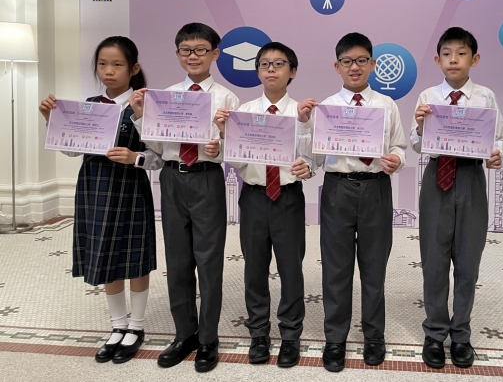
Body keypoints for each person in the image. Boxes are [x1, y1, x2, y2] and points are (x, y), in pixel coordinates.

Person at [39, 36, 160, 364]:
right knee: (105, 254)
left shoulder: (144, 105)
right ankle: (117, 326)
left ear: (133, 68)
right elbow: (70, 149)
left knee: (134, 257)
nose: (109, 70)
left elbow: (159, 157)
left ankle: (136, 327)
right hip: (94, 189)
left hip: (130, 189)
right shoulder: (89, 105)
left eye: (117, 64)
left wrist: (134, 157)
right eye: (103, 64)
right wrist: (51, 120)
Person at [129, 22, 240, 373]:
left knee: (209, 261)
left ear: (215, 54)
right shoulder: (165, 96)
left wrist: (220, 145)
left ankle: (208, 338)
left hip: (207, 178)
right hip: (172, 178)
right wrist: (141, 115)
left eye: (201, 50)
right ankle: (184, 334)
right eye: (186, 50)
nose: (193, 56)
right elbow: (157, 146)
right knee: (177, 260)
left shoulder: (226, 98)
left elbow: (238, 150)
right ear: (177, 54)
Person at [306, 32, 406, 372]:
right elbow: (315, 155)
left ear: (373, 64)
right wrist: (306, 145)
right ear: (337, 66)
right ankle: (335, 338)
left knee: (374, 267)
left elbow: (399, 147)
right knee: (336, 268)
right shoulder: (327, 107)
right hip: (338, 189)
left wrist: (396, 159)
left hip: (376, 188)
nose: (354, 67)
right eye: (347, 61)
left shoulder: (387, 105)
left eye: (361, 60)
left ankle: (374, 336)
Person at [411, 26, 503, 369]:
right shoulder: (428, 96)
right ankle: (435, 333)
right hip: (436, 177)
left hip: (470, 178)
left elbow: (501, 136)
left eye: (462, 53)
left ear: (474, 59)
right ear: (437, 60)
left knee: (468, 261)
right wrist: (420, 126)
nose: (454, 59)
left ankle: (461, 333)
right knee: (434, 261)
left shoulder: (485, 97)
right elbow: (417, 145)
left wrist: (496, 154)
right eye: (447, 54)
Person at [215, 41, 313, 368]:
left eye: (279, 64)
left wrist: (307, 164)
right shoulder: (243, 113)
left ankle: (290, 334)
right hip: (255, 195)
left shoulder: (303, 112)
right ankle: (258, 332)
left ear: (292, 72)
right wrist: (224, 133)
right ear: (257, 71)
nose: (271, 69)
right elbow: (233, 159)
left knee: (290, 269)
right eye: (264, 64)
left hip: (288, 198)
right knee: (254, 268)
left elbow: (312, 156)